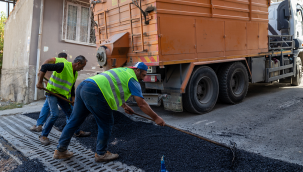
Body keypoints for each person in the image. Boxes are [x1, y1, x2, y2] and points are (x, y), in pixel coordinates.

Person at [53, 62, 165, 162]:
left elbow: (113, 86)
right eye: (143, 75)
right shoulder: (133, 79)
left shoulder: (123, 70)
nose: (143, 78)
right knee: (106, 123)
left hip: (84, 85)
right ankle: (101, 154)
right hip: (95, 91)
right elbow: (141, 104)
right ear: (137, 70)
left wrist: (124, 105)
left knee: (74, 120)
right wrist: (156, 118)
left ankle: (60, 150)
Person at [36, 55, 91, 146]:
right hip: (52, 93)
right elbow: (45, 67)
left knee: (71, 114)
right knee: (55, 114)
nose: (82, 68)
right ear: (78, 64)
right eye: (82, 66)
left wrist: (73, 99)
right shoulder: (63, 65)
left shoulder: (75, 73)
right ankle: (43, 136)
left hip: (63, 96)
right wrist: (39, 82)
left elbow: (71, 87)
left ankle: (77, 132)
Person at [30, 52, 69, 132]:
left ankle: (39, 125)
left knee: (47, 107)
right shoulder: (67, 64)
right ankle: (73, 129)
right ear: (66, 57)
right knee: (68, 111)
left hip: (53, 90)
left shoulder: (58, 61)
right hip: (61, 91)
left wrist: (41, 72)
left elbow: (46, 64)